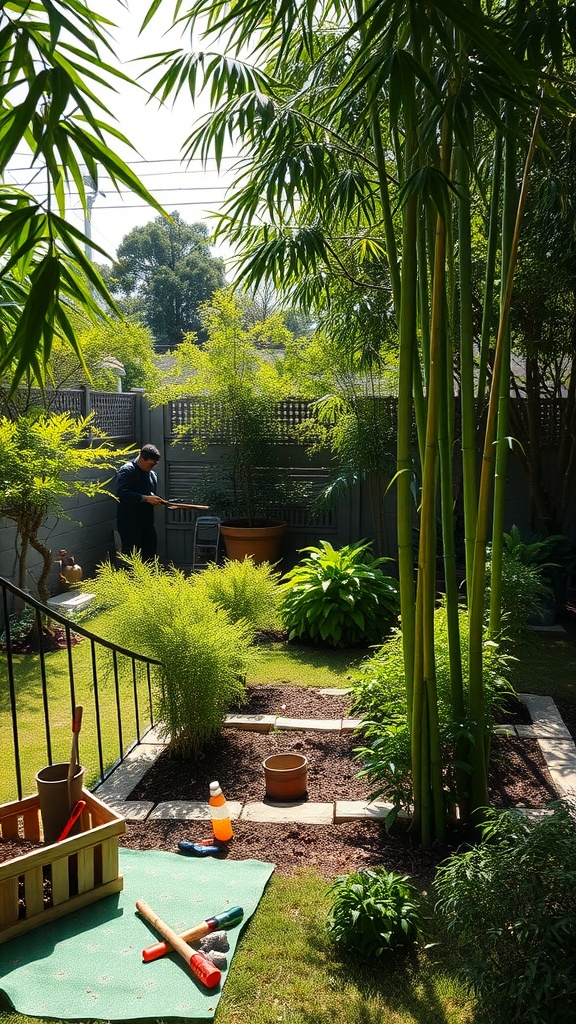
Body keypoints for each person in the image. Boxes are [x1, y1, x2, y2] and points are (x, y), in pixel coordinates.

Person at [116, 444, 164, 560]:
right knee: (131, 557)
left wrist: (155, 499)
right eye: (150, 464)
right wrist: (146, 498)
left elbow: (148, 493)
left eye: (154, 465)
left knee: (150, 556)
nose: (152, 467)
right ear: (143, 458)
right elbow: (122, 494)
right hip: (130, 523)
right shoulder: (127, 471)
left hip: (147, 522)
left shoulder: (152, 475)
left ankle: (148, 578)